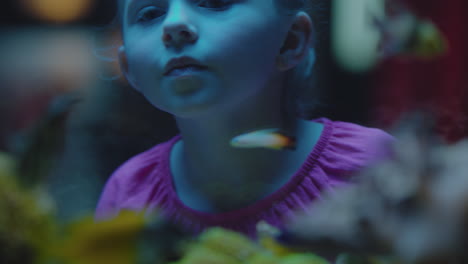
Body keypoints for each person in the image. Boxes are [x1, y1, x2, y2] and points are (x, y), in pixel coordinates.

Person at [95, 0, 394, 237]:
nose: (173, 23)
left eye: (215, 2)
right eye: (149, 14)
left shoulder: (373, 167)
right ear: (128, 67)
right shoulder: (127, 198)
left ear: (290, 41)